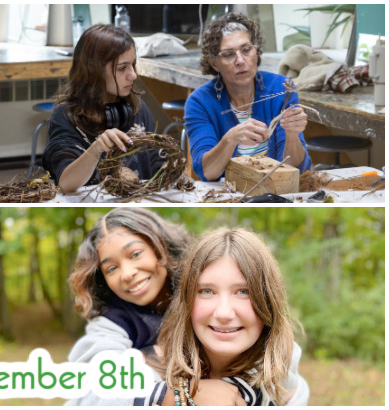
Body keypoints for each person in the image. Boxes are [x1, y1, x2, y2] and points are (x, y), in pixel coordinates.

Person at [65, 210, 308, 405]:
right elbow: (91, 384)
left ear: (160, 245)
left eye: (136, 254)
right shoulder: (112, 321)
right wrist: (172, 394)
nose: (127, 273)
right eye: (111, 269)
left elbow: (284, 367)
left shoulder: (199, 274)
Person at [145, 227, 309, 405]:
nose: (224, 313)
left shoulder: (283, 372)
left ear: (268, 301)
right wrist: (175, 395)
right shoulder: (148, 370)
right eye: (207, 291)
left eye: (243, 292)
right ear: (187, 301)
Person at [185, 12, 312, 181]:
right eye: (229, 54)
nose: (240, 60)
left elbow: (293, 167)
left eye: (246, 50)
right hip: (228, 195)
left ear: (256, 50)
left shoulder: (281, 88)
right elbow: (207, 172)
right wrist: (231, 138)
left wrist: (292, 135)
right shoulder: (200, 102)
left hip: (276, 188)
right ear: (214, 63)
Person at [41, 24, 166, 193]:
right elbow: (66, 182)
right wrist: (97, 149)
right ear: (94, 71)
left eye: (133, 64)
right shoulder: (65, 116)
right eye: (122, 68)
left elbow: (158, 166)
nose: (133, 75)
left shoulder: (138, 109)